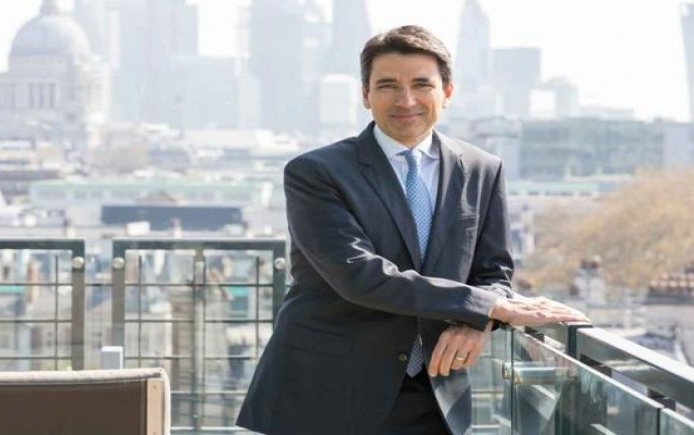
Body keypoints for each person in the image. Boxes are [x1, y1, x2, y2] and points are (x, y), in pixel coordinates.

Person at [237, 25, 588, 435]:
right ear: (365, 95)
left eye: (422, 84)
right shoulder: (315, 172)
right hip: (326, 393)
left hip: (436, 393)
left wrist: (476, 319)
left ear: (447, 92)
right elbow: (360, 276)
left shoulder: (483, 169)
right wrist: (490, 308)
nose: (406, 100)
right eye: (388, 86)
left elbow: (493, 272)